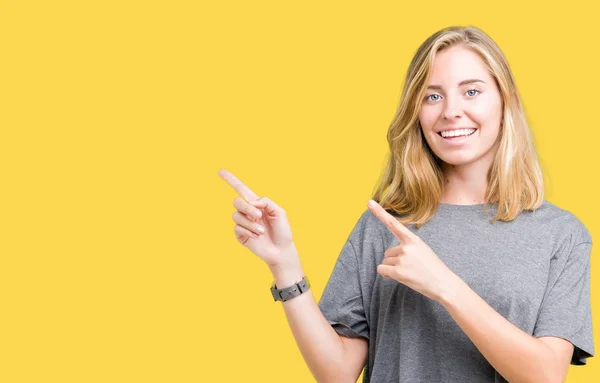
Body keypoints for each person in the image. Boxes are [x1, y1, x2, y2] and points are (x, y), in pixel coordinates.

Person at [218, 25, 594, 383]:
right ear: (417, 112)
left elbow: (545, 374)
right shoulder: (384, 225)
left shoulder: (560, 235)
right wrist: (284, 265)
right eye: (433, 96)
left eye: (472, 91)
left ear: (504, 100)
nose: (450, 111)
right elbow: (337, 373)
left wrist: (443, 284)